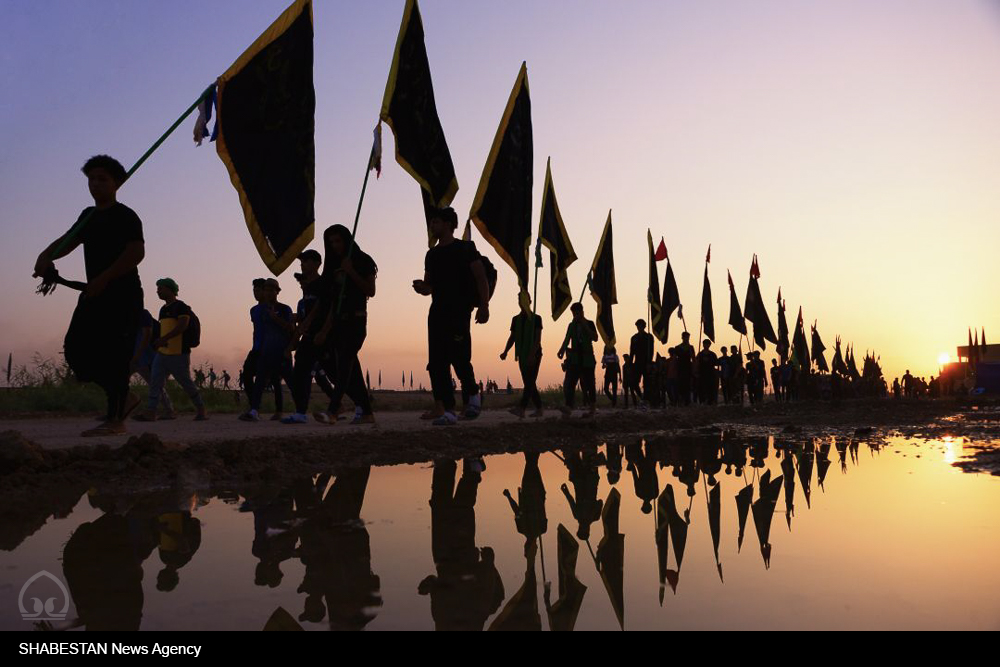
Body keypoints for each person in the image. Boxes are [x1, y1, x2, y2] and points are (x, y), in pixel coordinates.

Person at [33, 155, 145, 437]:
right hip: (94, 293)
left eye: (102, 179)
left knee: (115, 353)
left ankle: (116, 419)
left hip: (122, 294)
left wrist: (105, 277)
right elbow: (70, 240)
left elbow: (136, 253)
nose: (95, 184)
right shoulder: (89, 216)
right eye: (91, 179)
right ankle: (125, 399)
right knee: (77, 350)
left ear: (116, 183)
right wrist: (46, 255)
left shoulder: (126, 216)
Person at [413, 207, 489, 426]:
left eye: (435, 222)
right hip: (437, 312)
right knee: (436, 362)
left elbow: (480, 277)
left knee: (459, 357)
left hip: (460, 311)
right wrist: (422, 288)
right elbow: (430, 286)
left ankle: (473, 394)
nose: (432, 226)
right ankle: (448, 410)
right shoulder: (432, 254)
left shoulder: (465, 248)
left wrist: (484, 306)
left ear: (448, 224)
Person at [311, 224, 377, 426]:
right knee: (351, 371)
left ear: (346, 240)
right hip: (339, 322)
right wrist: (324, 329)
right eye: (331, 242)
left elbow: (370, 290)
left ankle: (333, 410)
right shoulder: (332, 265)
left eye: (338, 241)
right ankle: (367, 412)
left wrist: (351, 271)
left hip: (356, 320)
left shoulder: (363, 260)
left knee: (345, 363)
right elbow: (332, 302)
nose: (335, 245)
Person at [137, 278, 206, 421]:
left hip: (178, 353)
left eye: (160, 288)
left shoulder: (181, 307)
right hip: (163, 353)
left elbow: (182, 326)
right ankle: (151, 411)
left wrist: (164, 339)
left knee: (185, 383)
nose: (158, 291)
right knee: (155, 382)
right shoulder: (163, 309)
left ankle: (201, 409)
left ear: (170, 289)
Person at [240, 279, 295, 422]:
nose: (257, 293)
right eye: (257, 290)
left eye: (270, 290)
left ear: (277, 291)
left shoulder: (283, 308)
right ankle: (254, 409)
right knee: (254, 377)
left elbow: (290, 327)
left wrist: (288, 348)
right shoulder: (255, 310)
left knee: (282, 380)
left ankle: (295, 409)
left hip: (280, 350)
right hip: (261, 349)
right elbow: (258, 330)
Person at [500, 297, 543, 418]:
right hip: (522, 355)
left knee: (529, 382)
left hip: (534, 354)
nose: (522, 302)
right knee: (529, 383)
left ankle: (521, 408)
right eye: (520, 299)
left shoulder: (536, 318)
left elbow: (537, 339)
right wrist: (505, 351)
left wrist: (532, 355)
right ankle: (539, 409)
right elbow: (512, 337)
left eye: (524, 299)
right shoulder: (516, 319)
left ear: (530, 301)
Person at [131, 308, 175, 420]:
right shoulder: (132, 315)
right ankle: (117, 411)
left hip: (147, 357)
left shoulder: (141, 314)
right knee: (156, 384)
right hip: (140, 357)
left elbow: (147, 335)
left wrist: (137, 356)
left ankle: (166, 411)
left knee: (156, 384)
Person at [557, 303, 599, 417]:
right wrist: (562, 349)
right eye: (574, 313)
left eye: (577, 313)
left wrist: (584, 325)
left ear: (582, 311)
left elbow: (595, 338)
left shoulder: (589, 323)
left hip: (587, 359)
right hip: (575, 359)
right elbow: (567, 338)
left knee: (590, 384)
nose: (575, 315)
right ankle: (568, 406)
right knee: (570, 383)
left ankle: (593, 408)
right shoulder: (571, 325)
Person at [629, 320, 654, 402]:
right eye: (638, 326)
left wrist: (649, 363)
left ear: (644, 326)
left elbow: (651, 351)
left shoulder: (649, 337)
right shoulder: (634, 338)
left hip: (646, 363)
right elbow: (631, 352)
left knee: (647, 383)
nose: (639, 328)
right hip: (637, 363)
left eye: (640, 326)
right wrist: (630, 364)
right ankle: (642, 397)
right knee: (634, 383)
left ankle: (646, 400)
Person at [695, 340, 719, 405]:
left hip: (710, 374)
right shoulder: (700, 354)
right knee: (701, 388)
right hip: (702, 373)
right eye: (705, 344)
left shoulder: (713, 354)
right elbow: (696, 364)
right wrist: (696, 372)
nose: (706, 345)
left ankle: (710, 401)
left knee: (711, 388)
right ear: (703, 345)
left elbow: (716, 364)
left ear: (709, 345)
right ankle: (702, 401)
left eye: (707, 344)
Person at [675, 332, 695, 406]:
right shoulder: (677, 347)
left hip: (688, 367)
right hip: (680, 367)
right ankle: (681, 400)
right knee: (680, 384)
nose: (687, 338)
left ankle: (687, 401)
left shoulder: (691, 347)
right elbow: (675, 358)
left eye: (688, 337)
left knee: (688, 384)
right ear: (682, 337)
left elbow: (693, 358)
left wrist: (694, 368)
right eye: (685, 337)